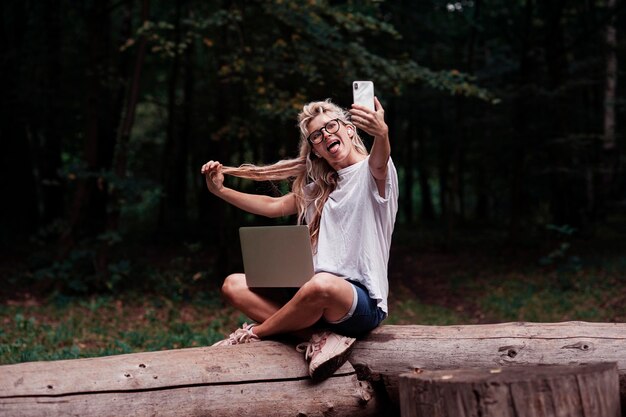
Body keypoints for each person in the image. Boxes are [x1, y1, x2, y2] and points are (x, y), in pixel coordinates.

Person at [200, 96, 398, 380]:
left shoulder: (374, 174)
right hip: (314, 296)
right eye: (316, 136)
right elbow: (272, 207)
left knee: (321, 286)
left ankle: (253, 333)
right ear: (316, 151)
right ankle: (318, 337)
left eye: (331, 127)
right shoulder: (323, 187)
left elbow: (380, 162)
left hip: (360, 304)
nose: (325, 135)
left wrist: (382, 133)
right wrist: (220, 191)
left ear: (350, 129)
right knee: (233, 285)